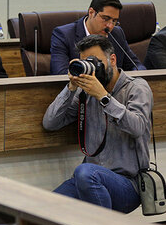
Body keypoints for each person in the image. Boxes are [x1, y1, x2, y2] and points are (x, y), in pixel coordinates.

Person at [43, 35, 152, 213]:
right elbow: (50, 122)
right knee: (45, 209)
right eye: (87, 63)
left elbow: (137, 127)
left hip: (128, 184)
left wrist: (103, 97)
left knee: (85, 172)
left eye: (96, 62)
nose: (93, 68)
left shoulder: (137, 88)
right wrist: (70, 87)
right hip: (89, 180)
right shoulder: (85, 93)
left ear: (113, 59)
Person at [50, 0, 145, 75]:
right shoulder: (64, 35)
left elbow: (136, 65)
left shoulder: (117, 33)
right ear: (91, 12)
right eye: (105, 19)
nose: (110, 26)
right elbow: (60, 73)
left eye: (114, 21)